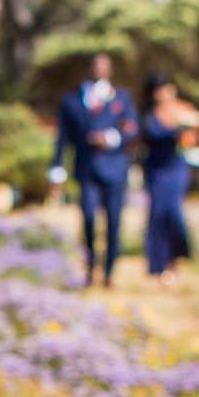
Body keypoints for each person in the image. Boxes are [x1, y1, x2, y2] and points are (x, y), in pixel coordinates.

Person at [52, 54, 139, 289]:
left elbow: (132, 129)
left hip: (115, 168)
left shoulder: (122, 98)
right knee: (89, 218)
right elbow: (62, 137)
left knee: (113, 222)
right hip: (86, 169)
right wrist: (57, 169)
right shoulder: (72, 100)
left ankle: (109, 271)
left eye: (104, 65)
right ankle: (90, 267)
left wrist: (111, 138)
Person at [139, 78, 199, 283]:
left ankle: (175, 259)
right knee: (157, 215)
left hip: (175, 168)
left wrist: (183, 124)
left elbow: (194, 132)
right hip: (155, 169)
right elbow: (150, 134)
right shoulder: (149, 115)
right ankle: (158, 265)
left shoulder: (183, 110)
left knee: (174, 214)